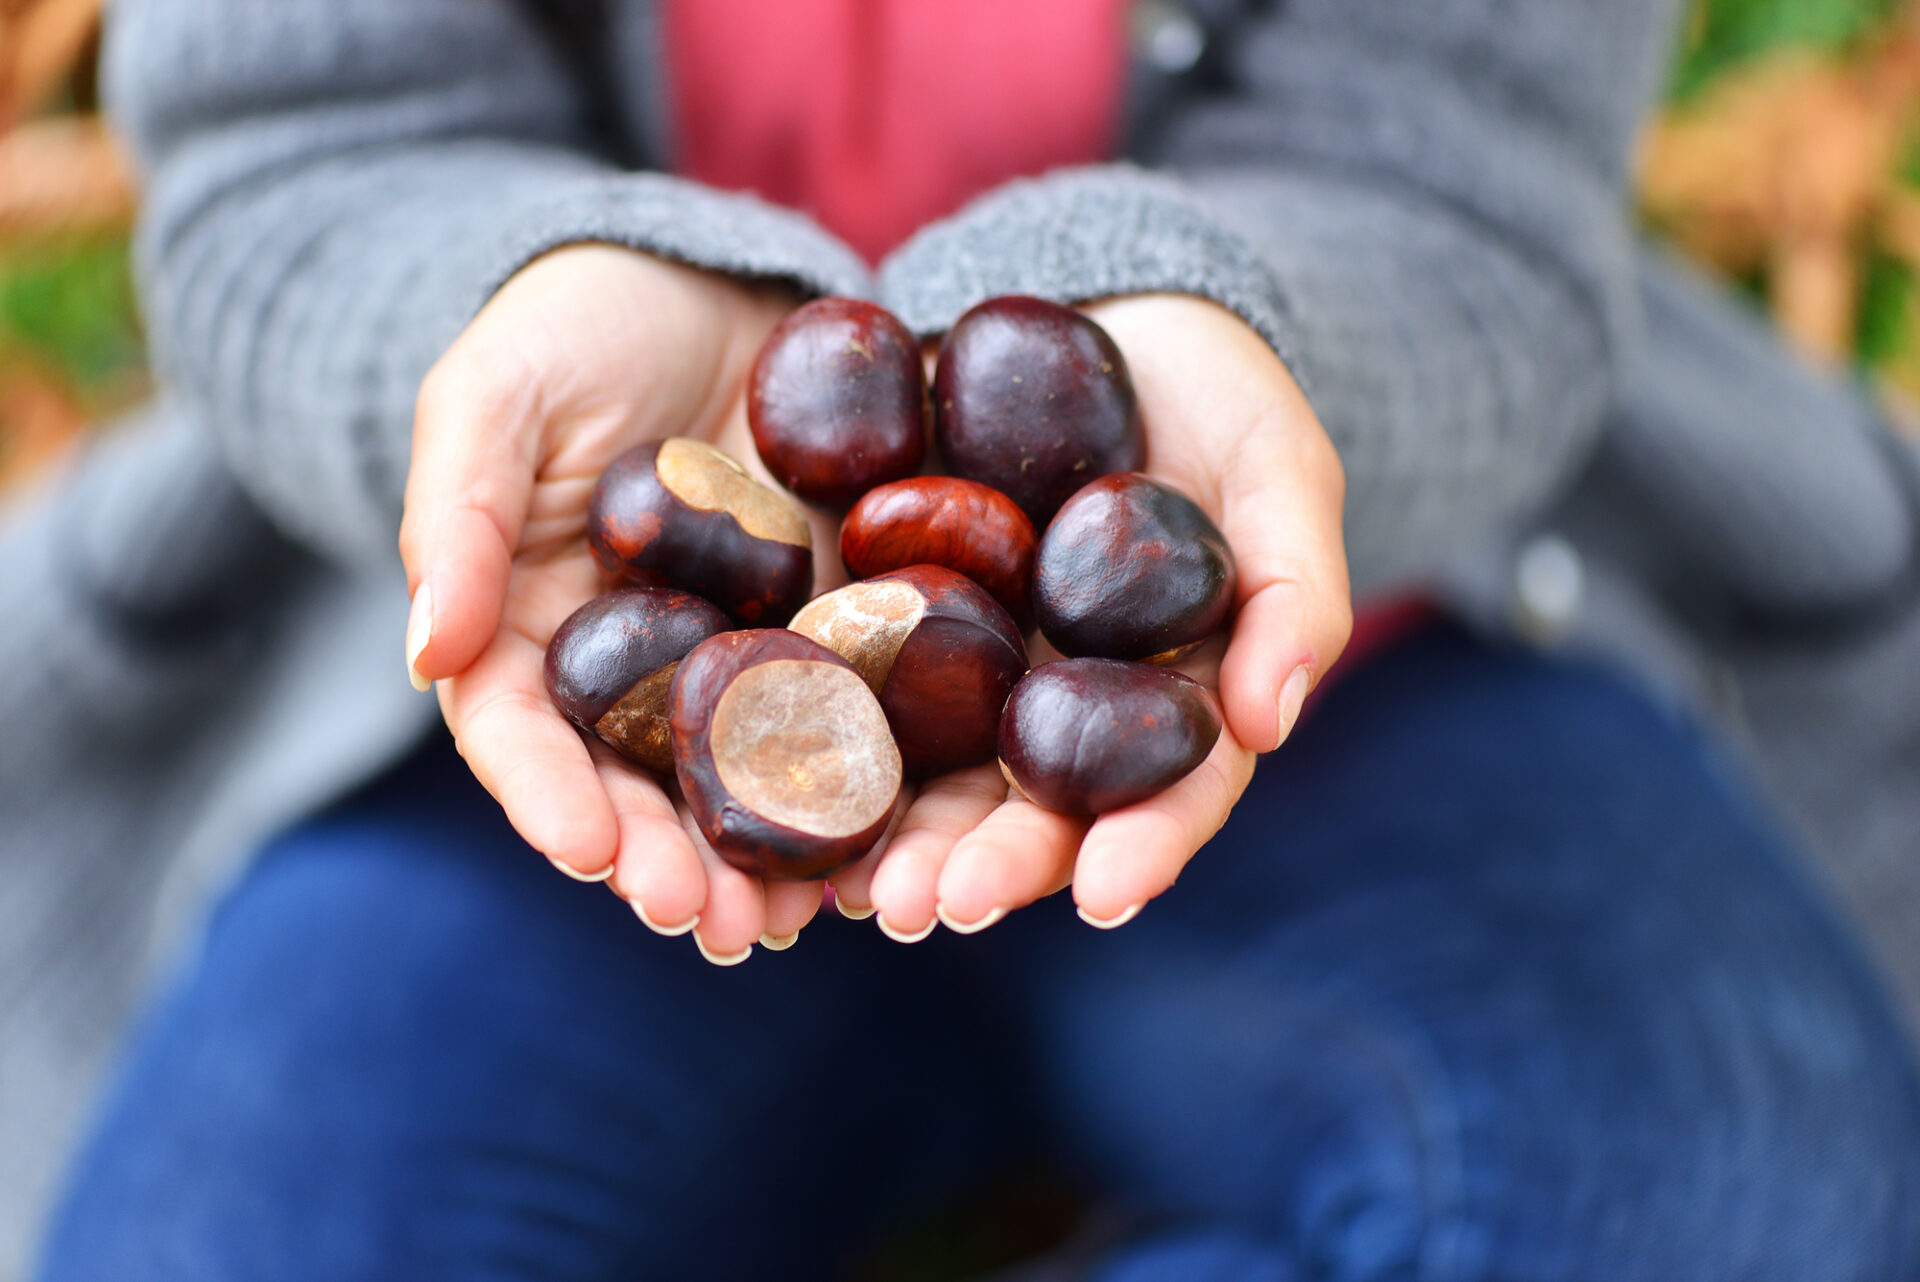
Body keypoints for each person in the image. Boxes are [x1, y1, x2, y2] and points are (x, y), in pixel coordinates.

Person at [6, 0, 1920, 1277]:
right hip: (554, 737)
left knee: (1748, 1212)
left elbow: (1465, 179)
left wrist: (1232, 337)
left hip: (1384, 648)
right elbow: (293, 150)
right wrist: (514, 313)